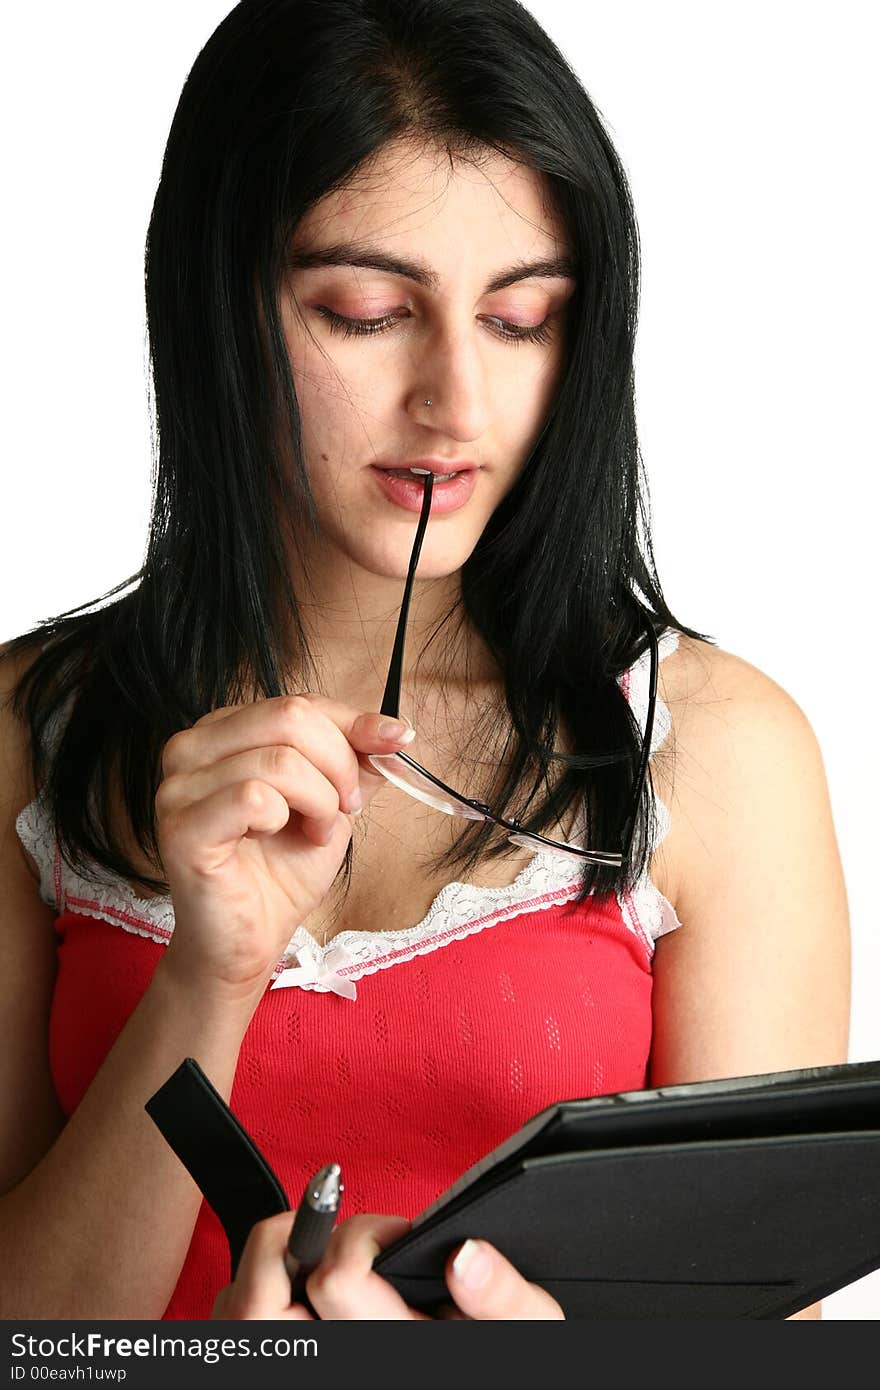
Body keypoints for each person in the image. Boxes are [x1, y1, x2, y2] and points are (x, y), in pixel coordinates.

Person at [0, 0, 848, 1323]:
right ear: (216, 307)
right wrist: (209, 971)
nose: (455, 397)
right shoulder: (22, 736)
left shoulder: (718, 751)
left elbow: (758, 1347)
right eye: (366, 309)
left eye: (521, 319)